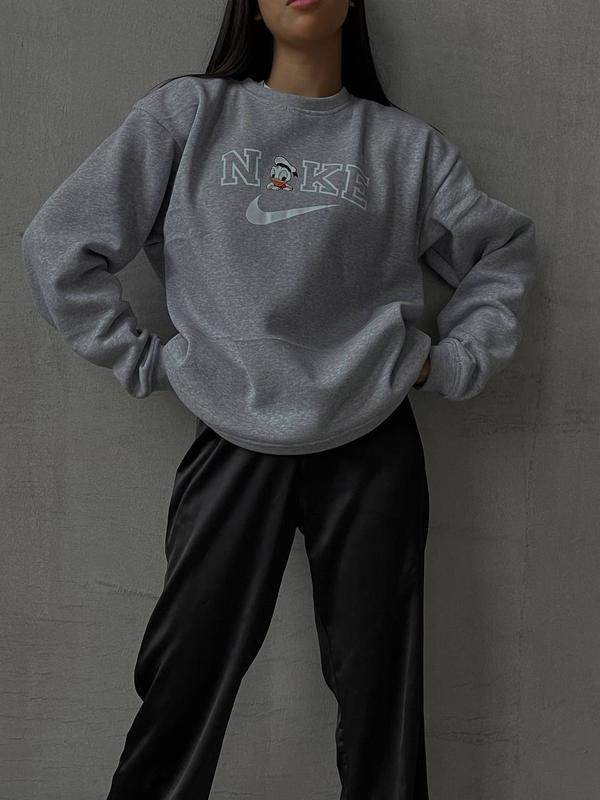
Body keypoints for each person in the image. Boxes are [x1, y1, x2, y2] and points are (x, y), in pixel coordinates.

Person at [21, 0, 537, 797]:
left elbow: (503, 252)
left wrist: (451, 362)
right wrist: (149, 361)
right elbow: (58, 244)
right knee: (184, 681)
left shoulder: (404, 147)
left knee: (380, 698)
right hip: (233, 436)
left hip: (373, 438)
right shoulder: (188, 115)